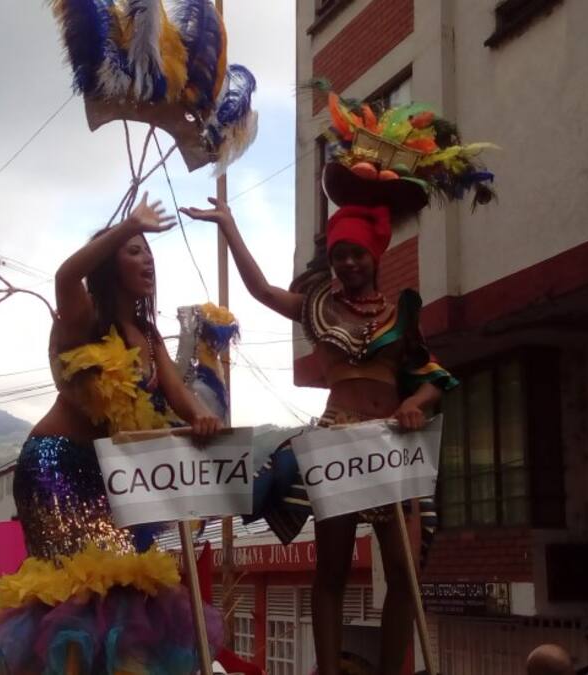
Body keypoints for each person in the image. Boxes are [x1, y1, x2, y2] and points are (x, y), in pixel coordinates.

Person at [181, 198, 458, 675]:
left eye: (357, 254)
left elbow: (433, 378)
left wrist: (415, 403)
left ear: (375, 256)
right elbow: (262, 290)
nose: (348, 263)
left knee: (405, 572)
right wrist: (228, 225)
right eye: (339, 255)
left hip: (390, 446)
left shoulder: (400, 316)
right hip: (337, 443)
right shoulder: (318, 307)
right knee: (331, 568)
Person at [0, 194, 224, 674]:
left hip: (109, 477)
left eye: (148, 251)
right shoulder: (84, 316)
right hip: (57, 467)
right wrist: (127, 225)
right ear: (108, 264)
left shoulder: (149, 336)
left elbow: (181, 394)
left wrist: (203, 417)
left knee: (123, 586)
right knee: (72, 589)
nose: (147, 260)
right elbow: (65, 276)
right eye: (134, 251)